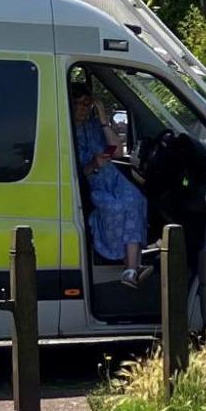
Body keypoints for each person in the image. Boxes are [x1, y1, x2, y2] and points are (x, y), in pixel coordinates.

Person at [71, 84, 146, 286]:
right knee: (115, 208)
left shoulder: (95, 125)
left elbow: (118, 152)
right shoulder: (65, 129)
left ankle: (130, 270)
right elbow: (74, 172)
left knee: (135, 200)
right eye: (77, 104)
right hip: (91, 183)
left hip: (113, 177)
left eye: (86, 103)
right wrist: (93, 164)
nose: (82, 108)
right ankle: (131, 264)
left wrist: (103, 118)